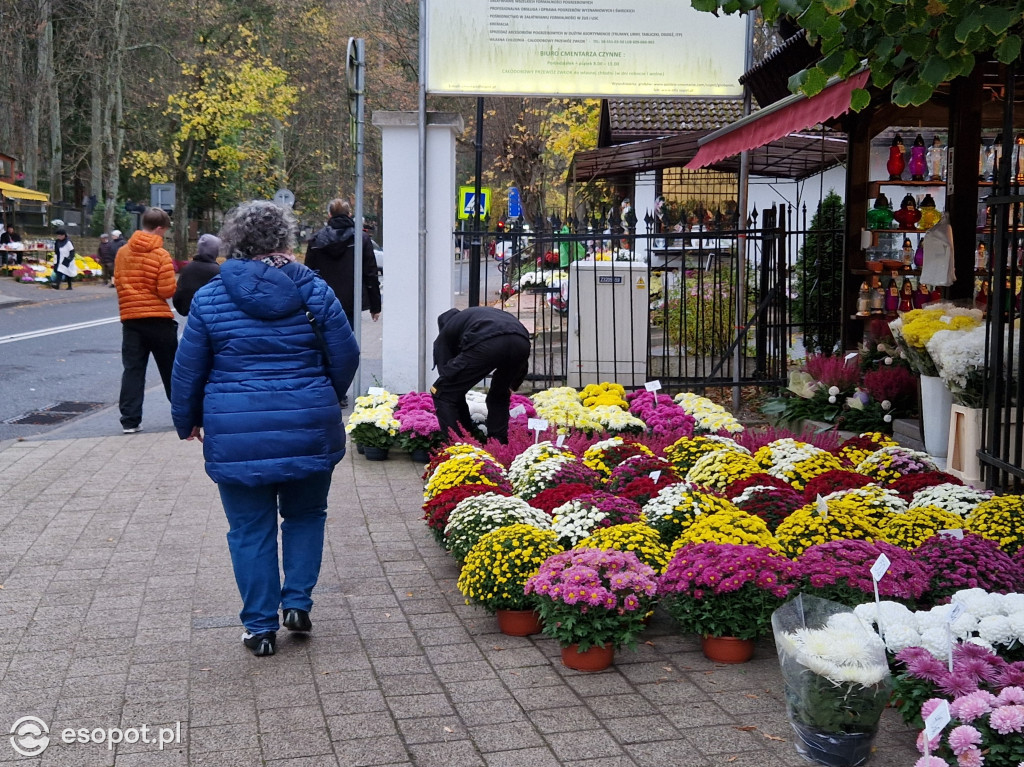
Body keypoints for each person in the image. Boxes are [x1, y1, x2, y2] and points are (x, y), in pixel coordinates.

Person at [171, 200, 359, 658]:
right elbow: (347, 355)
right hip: (309, 425)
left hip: (238, 433)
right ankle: (296, 603)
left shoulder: (211, 297)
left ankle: (259, 628)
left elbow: (188, 368)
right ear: (285, 241)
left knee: (249, 529)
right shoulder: (314, 291)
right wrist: (321, 393)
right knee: (305, 515)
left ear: (234, 241)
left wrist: (187, 419)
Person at [304, 198, 381, 407]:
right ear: (349, 215)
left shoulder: (316, 240)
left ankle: (327, 390)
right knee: (346, 348)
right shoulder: (362, 239)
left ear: (329, 215)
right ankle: (340, 392)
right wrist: (376, 306)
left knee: (323, 346)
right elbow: (371, 274)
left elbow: (307, 275)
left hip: (321, 302)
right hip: (350, 303)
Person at [114, 207, 176, 434]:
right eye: (165, 231)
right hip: (159, 321)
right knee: (171, 370)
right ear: (159, 228)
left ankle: (130, 421)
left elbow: (119, 282)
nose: (164, 236)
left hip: (131, 320)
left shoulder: (122, 253)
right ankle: (183, 415)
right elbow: (166, 290)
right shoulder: (161, 255)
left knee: (133, 370)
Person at [431, 306, 531, 444]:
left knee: (442, 393)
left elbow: (447, 381)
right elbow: (521, 361)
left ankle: (460, 448)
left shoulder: (447, 332)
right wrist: (512, 384)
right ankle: (498, 446)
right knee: (499, 396)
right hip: (521, 342)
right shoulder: (474, 317)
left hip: (488, 342)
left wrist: (452, 389)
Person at [173, 233, 222, 316]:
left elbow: (179, 294)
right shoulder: (217, 271)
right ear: (216, 251)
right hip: (211, 314)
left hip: (188, 311)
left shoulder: (187, 269)